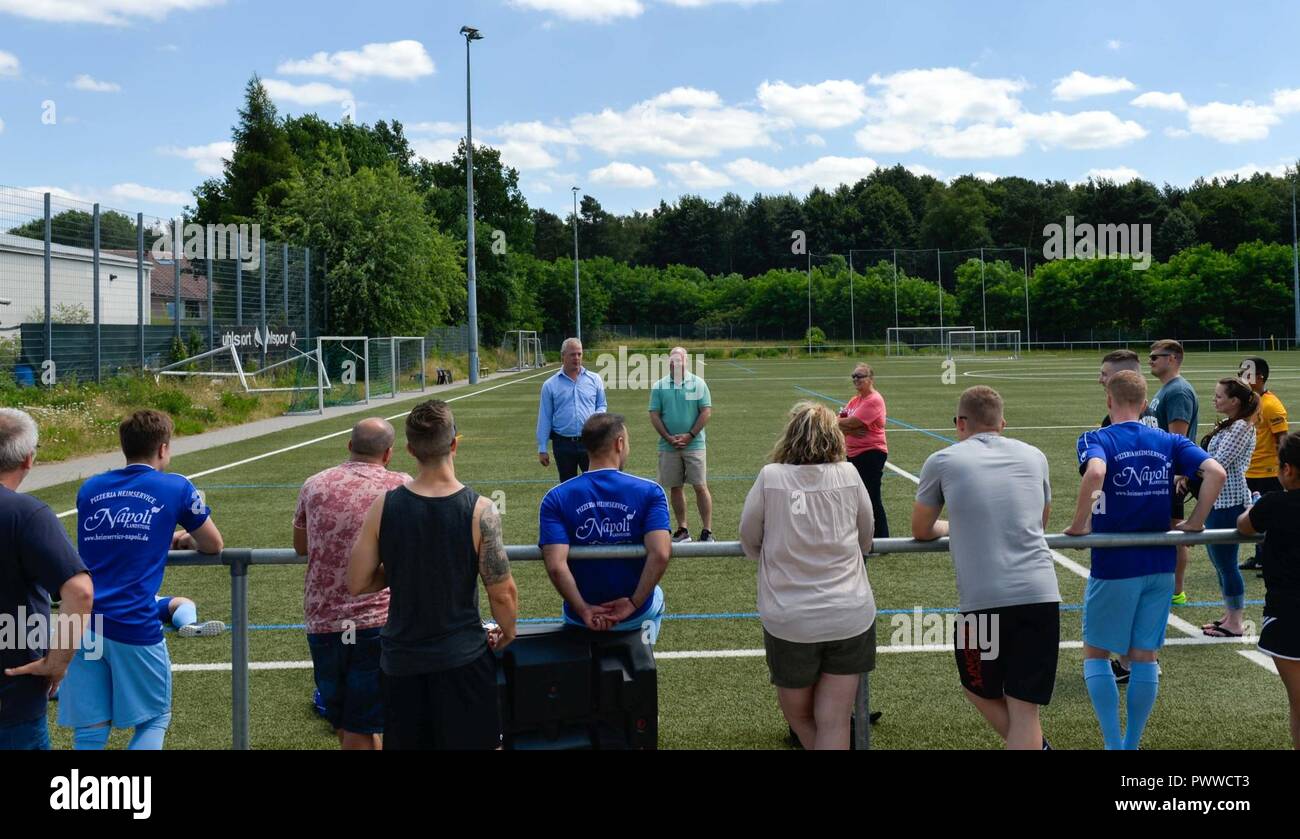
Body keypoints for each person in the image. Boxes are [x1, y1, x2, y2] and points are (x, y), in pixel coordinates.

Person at [1065, 371, 1225, 750]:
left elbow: (1097, 472)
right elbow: (1215, 472)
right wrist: (1196, 521)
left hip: (1115, 566)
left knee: (1096, 654)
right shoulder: (1168, 440)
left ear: (1108, 400)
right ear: (1144, 404)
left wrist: (1079, 524)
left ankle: (1112, 744)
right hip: (1160, 565)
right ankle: (1132, 744)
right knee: (1143, 657)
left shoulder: (1096, 438)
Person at [348, 400, 517, 750]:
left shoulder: (385, 505)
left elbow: (358, 581)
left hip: (401, 662)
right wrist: (509, 631)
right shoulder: (480, 510)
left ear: (409, 449)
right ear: (455, 443)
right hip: (462, 661)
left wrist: (402, 566)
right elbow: (501, 592)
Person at [61, 409, 224, 750]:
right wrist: (184, 538)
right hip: (133, 621)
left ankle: (88, 800)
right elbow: (213, 544)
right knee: (153, 719)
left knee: (90, 732)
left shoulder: (91, 488)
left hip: (84, 621)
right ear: (163, 448)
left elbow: (118, 540)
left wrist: (165, 537)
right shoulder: (176, 486)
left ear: (124, 447)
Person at [912, 386, 1061, 750]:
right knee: (1025, 710)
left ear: (960, 423)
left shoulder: (942, 460)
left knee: (977, 687)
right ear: (1002, 423)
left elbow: (921, 529)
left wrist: (952, 526)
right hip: (1040, 593)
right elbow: (1040, 520)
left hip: (981, 601)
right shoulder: (1034, 455)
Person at [739, 401, 874, 750]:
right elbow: (866, 538)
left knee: (800, 717)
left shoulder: (771, 477)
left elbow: (749, 539)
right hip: (849, 613)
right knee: (835, 720)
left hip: (790, 617)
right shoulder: (849, 474)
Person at [294, 418, 411, 750]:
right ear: (388, 453)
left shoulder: (314, 484)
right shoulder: (400, 485)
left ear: (349, 446)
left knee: (347, 722)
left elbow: (301, 545)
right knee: (360, 725)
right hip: (377, 618)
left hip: (324, 619)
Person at [0, 409, 93, 750]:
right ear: (28, 459)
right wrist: (57, 662)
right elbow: (80, 592)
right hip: (11, 696)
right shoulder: (26, 514)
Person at [539, 413, 671, 637]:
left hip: (580, 616)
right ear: (619, 444)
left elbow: (555, 566)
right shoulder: (651, 492)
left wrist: (584, 609)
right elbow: (660, 554)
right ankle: (643, 655)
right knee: (657, 597)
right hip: (635, 614)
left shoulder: (555, 497)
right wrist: (632, 603)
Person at [1236, 432, 1300, 749]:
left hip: (1287, 616)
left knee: (1299, 704)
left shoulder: (1275, 504)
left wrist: (1257, 506)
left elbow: (1244, 525)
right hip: (1287, 615)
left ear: (1287, 470)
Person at [1197, 378, 1258, 638]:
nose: (1215, 400)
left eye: (1220, 396)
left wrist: (1188, 470)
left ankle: (1235, 621)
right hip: (1217, 500)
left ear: (1235, 402)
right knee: (1220, 563)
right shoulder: (1230, 425)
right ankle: (1230, 615)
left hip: (1228, 501)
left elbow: (1218, 463)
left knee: (1226, 563)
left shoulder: (1241, 428)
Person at [1148, 339, 1199, 605]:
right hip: (1161, 472)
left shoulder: (1177, 391)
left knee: (1174, 531)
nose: (1151, 360)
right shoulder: (1166, 389)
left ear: (1173, 359)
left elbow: (1177, 438)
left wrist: (1178, 472)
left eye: (1156, 356)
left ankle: (1176, 592)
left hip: (1172, 475)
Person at [649, 346, 714, 543]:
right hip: (668, 447)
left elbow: (706, 411)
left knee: (700, 486)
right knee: (675, 487)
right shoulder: (660, 386)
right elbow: (654, 414)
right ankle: (683, 529)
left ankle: (707, 531)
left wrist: (690, 435)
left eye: (679, 360)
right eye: (672, 360)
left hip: (694, 445)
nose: (675, 364)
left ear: (686, 362)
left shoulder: (698, 383)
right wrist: (669, 438)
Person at [1239, 356, 1289, 573]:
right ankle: (1261, 557)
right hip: (1250, 470)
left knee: (1270, 519)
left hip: (1267, 472)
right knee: (1256, 518)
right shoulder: (1250, 403)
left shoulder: (1272, 405)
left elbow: (1283, 441)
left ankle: (1271, 559)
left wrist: (1281, 471)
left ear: (1259, 377)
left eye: (1246, 373)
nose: (1241, 377)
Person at [537, 337, 607, 483]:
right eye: (572, 354)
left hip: (589, 441)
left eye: (579, 354)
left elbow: (601, 405)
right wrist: (542, 447)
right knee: (568, 488)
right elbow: (545, 417)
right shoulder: (550, 385)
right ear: (563, 356)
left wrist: (594, 419)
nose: (577, 358)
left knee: (594, 485)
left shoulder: (595, 379)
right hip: (563, 444)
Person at [839, 362, 890, 538]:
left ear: (870, 379)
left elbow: (852, 422)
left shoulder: (874, 400)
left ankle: (882, 538)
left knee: (871, 497)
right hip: (853, 454)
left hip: (870, 453)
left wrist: (847, 426)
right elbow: (840, 421)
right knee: (856, 497)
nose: (856, 379)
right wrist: (848, 428)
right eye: (854, 376)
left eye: (860, 376)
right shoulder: (855, 400)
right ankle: (863, 534)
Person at [1097, 350, 1156, 428]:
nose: (1100, 380)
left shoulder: (1114, 422)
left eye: (1104, 374)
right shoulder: (1151, 414)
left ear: (1122, 375)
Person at [154, 596, 224, 637]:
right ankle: (190, 624)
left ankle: (190, 625)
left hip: (149, 605)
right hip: (150, 604)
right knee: (184, 602)